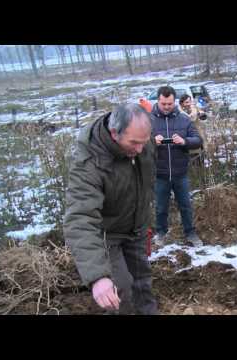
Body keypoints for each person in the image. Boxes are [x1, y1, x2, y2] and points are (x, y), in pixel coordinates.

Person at [64, 103, 158, 315]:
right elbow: (80, 218)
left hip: (136, 227)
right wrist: (98, 277)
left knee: (142, 282)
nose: (140, 149)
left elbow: (146, 176)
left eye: (144, 142)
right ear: (115, 133)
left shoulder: (142, 140)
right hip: (107, 234)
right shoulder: (90, 162)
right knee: (120, 289)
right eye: (134, 143)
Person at [149, 86, 203, 247]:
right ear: (158, 101)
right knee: (160, 207)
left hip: (180, 172)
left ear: (174, 101)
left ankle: (190, 233)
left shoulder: (184, 119)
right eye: (163, 103)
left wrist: (184, 141)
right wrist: (152, 142)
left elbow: (198, 140)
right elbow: (137, 143)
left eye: (170, 103)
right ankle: (161, 233)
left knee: (185, 205)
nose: (166, 107)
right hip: (159, 172)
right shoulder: (148, 120)